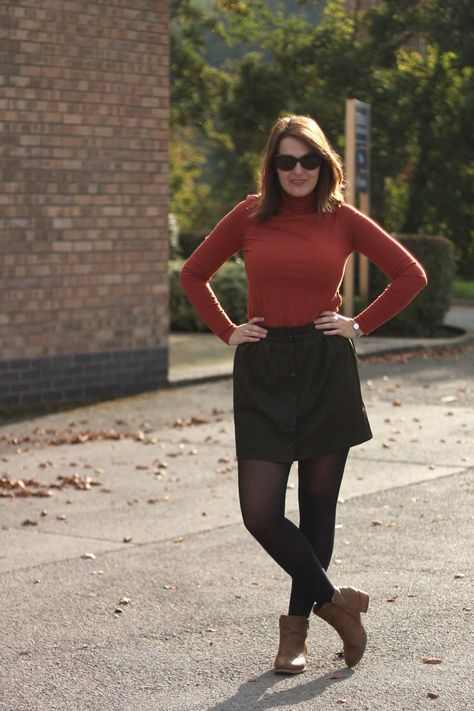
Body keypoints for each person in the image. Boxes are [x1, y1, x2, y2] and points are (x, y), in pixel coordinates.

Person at [180, 114, 427, 673]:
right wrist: (227, 331)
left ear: (324, 165)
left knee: (318, 507)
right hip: (264, 367)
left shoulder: (341, 219)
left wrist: (358, 324)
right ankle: (339, 605)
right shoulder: (249, 214)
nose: (297, 170)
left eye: (308, 160)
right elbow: (194, 274)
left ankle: (294, 634)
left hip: (324, 365)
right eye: (286, 161)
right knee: (260, 512)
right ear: (273, 166)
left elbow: (409, 273)